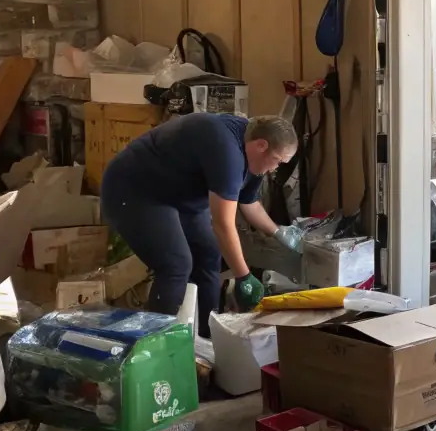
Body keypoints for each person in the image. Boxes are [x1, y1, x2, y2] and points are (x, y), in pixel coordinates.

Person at [100, 113, 300, 334]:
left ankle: (207, 338)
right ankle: (158, 345)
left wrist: (279, 232)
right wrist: (243, 276)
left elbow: (249, 202)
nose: (276, 169)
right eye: (278, 161)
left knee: (208, 254)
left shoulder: (254, 151)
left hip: (181, 194)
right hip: (136, 189)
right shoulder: (227, 152)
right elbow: (223, 225)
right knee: (176, 264)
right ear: (262, 145)